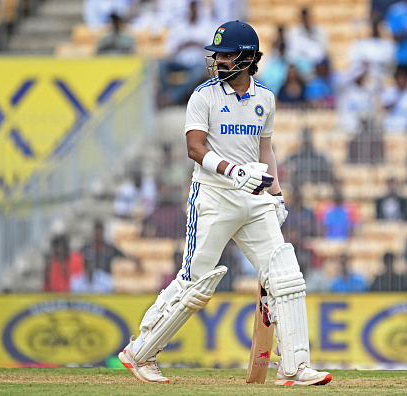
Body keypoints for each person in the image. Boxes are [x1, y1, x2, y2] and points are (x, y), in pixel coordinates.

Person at [117, 20, 331, 386]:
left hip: (255, 196)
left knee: (285, 276)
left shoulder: (265, 98)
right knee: (195, 283)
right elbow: (194, 148)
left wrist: (277, 194)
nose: (219, 61)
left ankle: (294, 367)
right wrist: (233, 172)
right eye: (217, 55)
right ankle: (140, 353)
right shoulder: (204, 96)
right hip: (214, 196)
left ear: (248, 58)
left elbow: (266, 150)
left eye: (228, 55)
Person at [157, 0, 211, 106]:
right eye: (191, 8)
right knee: (161, 64)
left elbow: (212, 48)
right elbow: (169, 48)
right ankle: (165, 93)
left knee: (198, 71)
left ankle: (171, 97)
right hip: (180, 61)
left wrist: (196, 43)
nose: (193, 11)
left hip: (198, 63)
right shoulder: (179, 26)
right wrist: (182, 45)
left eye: (195, 8)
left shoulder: (206, 26)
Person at [287, 7, 328, 79]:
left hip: (316, 66)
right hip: (300, 67)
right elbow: (292, 53)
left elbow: (323, 50)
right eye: (303, 18)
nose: (305, 20)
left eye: (307, 17)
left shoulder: (320, 31)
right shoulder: (294, 32)